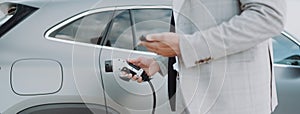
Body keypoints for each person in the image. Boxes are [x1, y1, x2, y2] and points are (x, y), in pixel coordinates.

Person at [127, 0, 286, 114]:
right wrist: (159, 63)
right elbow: (191, 29)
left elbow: (269, 16)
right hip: (190, 100)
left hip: (232, 102)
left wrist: (186, 46)